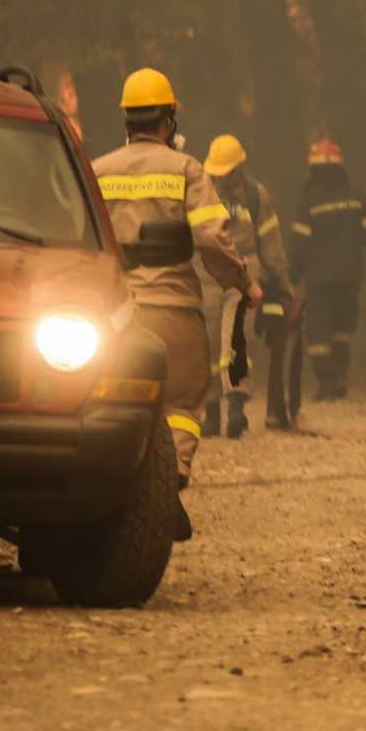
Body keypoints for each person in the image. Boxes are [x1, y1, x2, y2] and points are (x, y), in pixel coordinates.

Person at [92, 69, 255, 540]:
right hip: (172, 310)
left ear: (127, 120)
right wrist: (243, 282)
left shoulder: (97, 170)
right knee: (182, 404)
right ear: (169, 120)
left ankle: (112, 494)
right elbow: (213, 240)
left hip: (110, 316)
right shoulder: (186, 169)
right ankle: (168, 488)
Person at [204, 134, 291, 439]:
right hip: (208, 273)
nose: (222, 177)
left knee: (237, 338)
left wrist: (282, 282)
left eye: (227, 172)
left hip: (245, 270)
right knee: (209, 343)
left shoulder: (255, 195)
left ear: (240, 168)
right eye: (218, 172)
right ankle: (211, 413)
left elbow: (271, 242)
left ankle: (237, 408)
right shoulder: (200, 191)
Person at [290, 139, 366, 402]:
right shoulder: (358, 199)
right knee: (343, 328)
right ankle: (340, 376)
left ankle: (327, 383)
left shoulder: (308, 202)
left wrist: (292, 278)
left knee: (319, 330)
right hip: (351, 275)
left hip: (319, 278)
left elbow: (299, 245)